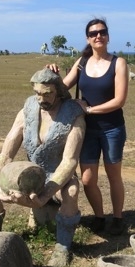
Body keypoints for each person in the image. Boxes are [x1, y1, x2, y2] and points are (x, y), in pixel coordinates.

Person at [0, 68, 86, 267]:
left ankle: (62, 247)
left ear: (58, 92)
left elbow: (69, 162)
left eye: (47, 94)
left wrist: (46, 195)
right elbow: (4, 156)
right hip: (27, 176)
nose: (41, 99)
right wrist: (2, 186)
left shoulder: (73, 116)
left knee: (72, 190)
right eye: (37, 93)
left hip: (56, 176)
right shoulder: (27, 111)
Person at [48, 18, 129, 235]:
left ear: (108, 36)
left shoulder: (118, 63)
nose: (98, 36)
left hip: (112, 128)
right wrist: (53, 75)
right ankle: (99, 217)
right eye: (93, 33)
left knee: (113, 175)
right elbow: (62, 88)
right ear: (88, 39)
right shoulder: (82, 62)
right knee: (87, 179)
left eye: (102, 32)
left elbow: (119, 100)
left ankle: (118, 218)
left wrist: (89, 109)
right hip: (87, 130)